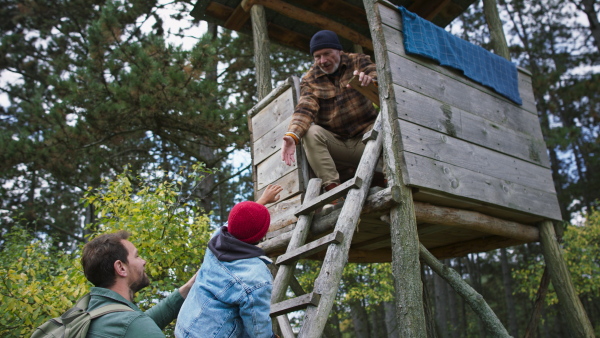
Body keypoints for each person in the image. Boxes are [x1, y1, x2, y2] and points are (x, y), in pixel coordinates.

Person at [175, 184, 283, 338]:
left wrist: (262, 201)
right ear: (261, 236)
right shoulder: (256, 276)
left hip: (185, 326)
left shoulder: (217, 238)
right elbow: (258, 330)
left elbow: (235, 222)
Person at [281, 30, 378, 193]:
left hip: (368, 140)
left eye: (327, 54)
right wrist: (292, 135)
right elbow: (305, 108)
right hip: (337, 144)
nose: (323, 60)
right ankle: (333, 191)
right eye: (317, 56)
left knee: (385, 124)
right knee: (311, 132)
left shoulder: (358, 61)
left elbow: (379, 77)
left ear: (339, 51)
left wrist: (371, 82)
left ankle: (387, 177)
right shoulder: (310, 79)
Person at [81, 230, 196, 338]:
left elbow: (139, 323)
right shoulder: (132, 325)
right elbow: (136, 325)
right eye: (136, 256)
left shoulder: (89, 314)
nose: (143, 262)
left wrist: (188, 288)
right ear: (121, 268)